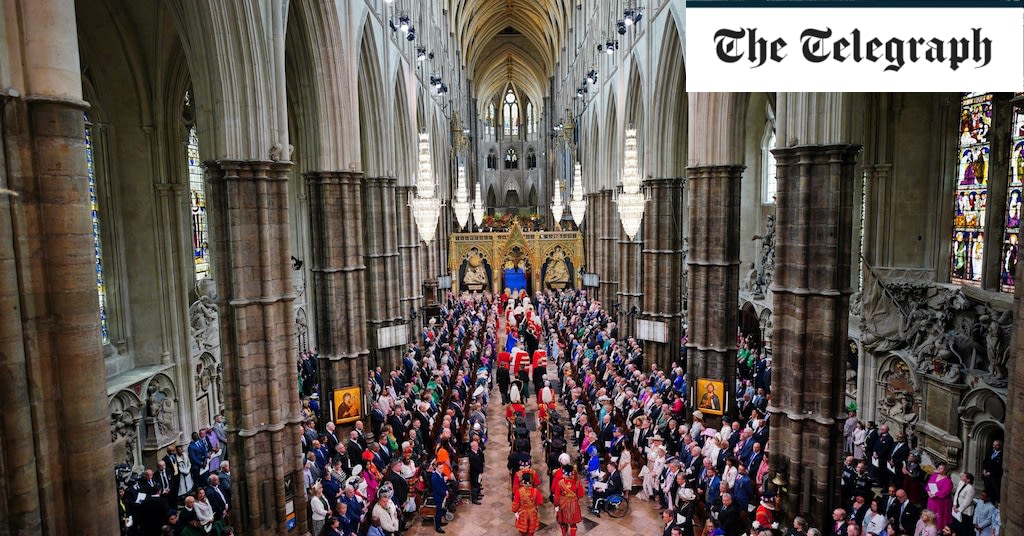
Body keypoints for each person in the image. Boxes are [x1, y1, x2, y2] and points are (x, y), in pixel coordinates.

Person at [553, 464, 584, 536]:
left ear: (564, 473)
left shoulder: (560, 483)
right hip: (574, 504)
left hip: (563, 505)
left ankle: (564, 534)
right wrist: (574, 498)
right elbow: (580, 494)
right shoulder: (577, 482)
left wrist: (556, 505)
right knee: (573, 523)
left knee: (563, 522)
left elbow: (556, 497)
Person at [927, 463, 954, 529]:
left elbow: (945, 492)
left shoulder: (948, 481)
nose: (938, 468)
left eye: (941, 468)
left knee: (938, 518)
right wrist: (929, 492)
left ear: (945, 470)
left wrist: (935, 494)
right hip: (931, 500)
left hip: (940, 502)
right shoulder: (934, 475)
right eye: (938, 467)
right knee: (930, 515)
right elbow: (928, 484)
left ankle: (937, 530)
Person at [429, 461, 449, 534]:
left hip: (442, 495)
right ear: (436, 468)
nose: (442, 469)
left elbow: (443, 484)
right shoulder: (434, 478)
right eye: (440, 468)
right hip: (438, 497)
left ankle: (440, 522)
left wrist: (446, 490)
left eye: (442, 468)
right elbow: (438, 489)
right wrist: (445, 493)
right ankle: (438, 527)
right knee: (438, 512)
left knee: (440, 511)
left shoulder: (440, 474)